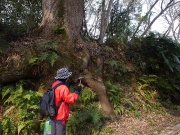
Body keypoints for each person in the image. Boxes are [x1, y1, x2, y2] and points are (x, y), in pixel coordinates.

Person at [50, 68, 82, 135]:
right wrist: (77, 92)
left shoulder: (54, 84)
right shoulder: (63, 88)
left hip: (52, 113)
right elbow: (70, 99)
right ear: (66, 78)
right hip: (60, 115)